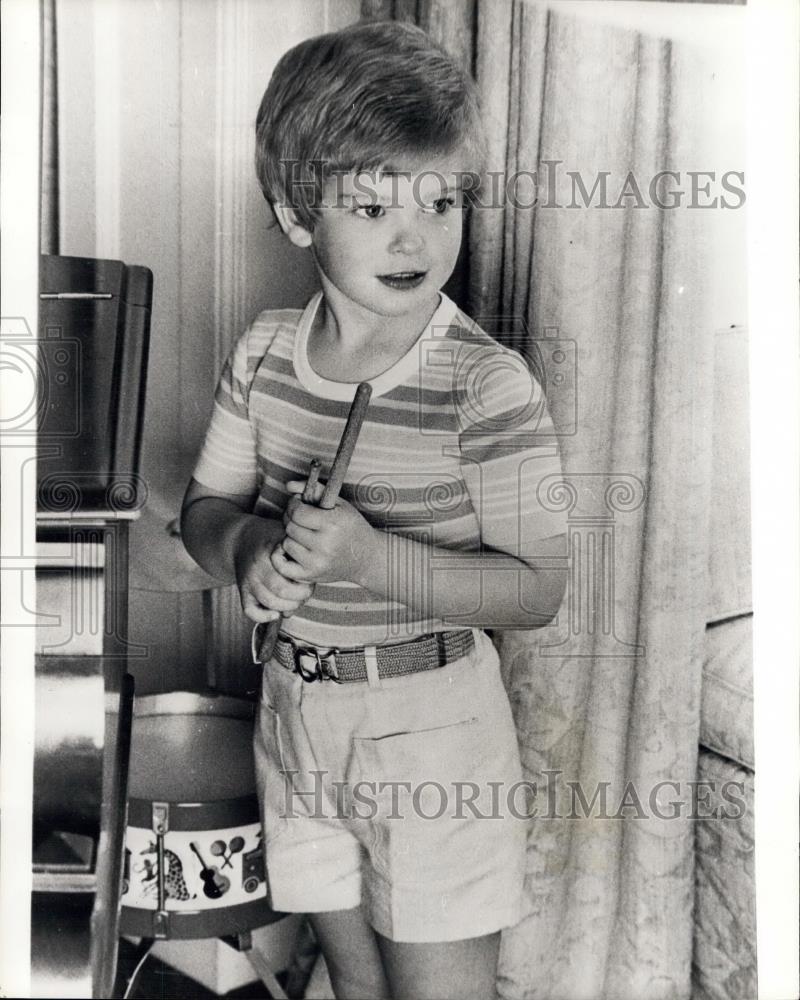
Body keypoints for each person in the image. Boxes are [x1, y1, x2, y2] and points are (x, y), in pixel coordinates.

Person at [181, 20, 567, 1000]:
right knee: (354, 987)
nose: (416, 236)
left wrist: (366, 557)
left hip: (431, 729)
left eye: (440, 201)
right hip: (296, 717)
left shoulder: (486, 384)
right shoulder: (264, 353)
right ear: (297, 213)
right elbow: (204, 508)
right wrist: (249, 544)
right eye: (372, 205)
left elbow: (534, 591)